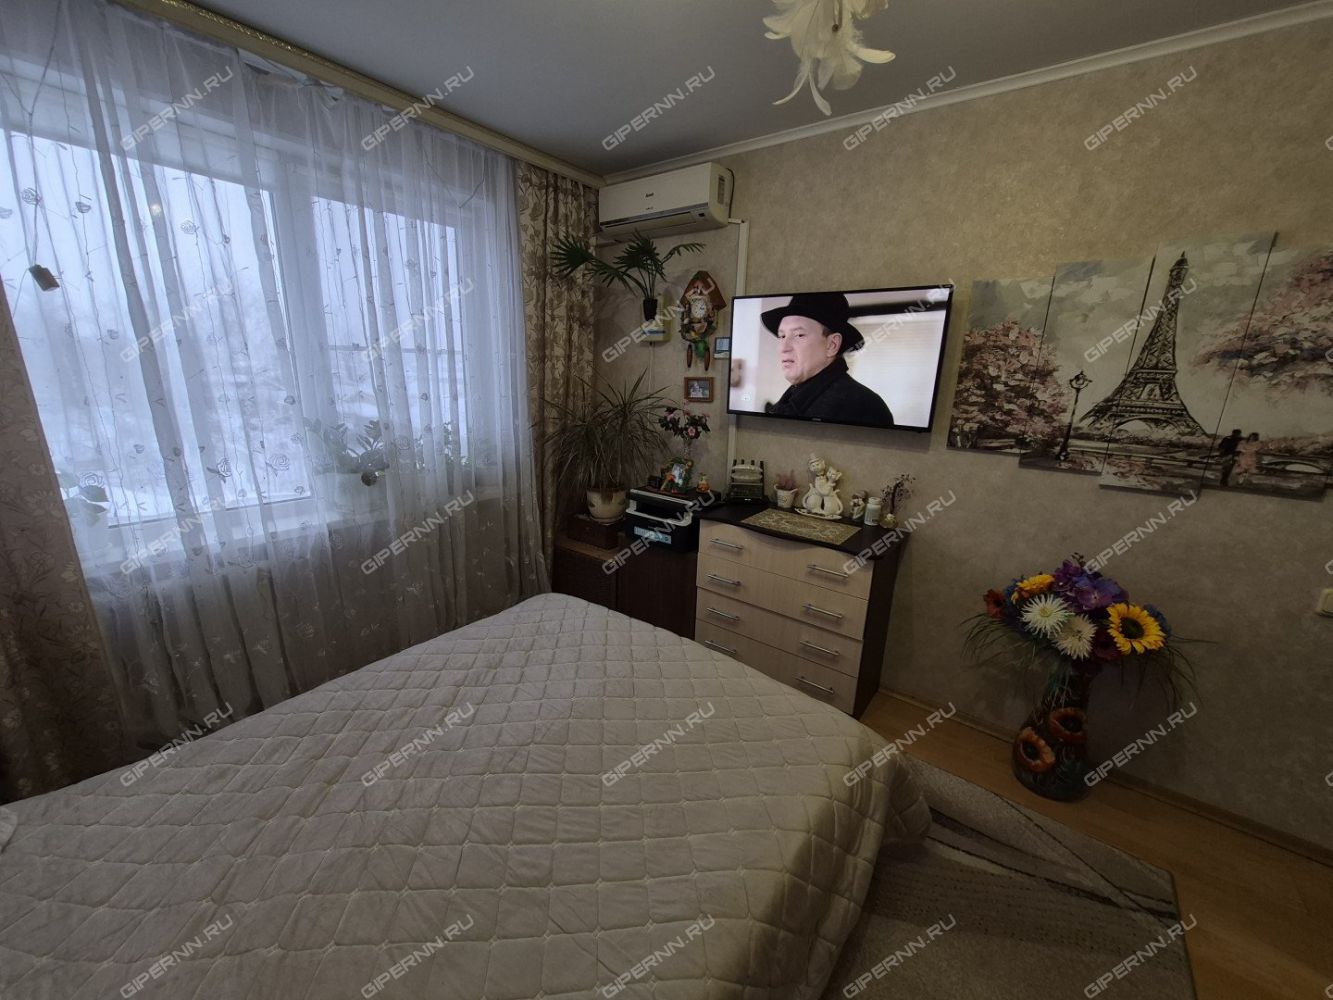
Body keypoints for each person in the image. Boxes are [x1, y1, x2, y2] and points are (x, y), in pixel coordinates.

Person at [761, 292, 894, 427]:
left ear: (832, 345)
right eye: (782, 336)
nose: (784, 348)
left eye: (799, 335)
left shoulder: (863, 407)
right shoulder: (787, 402)